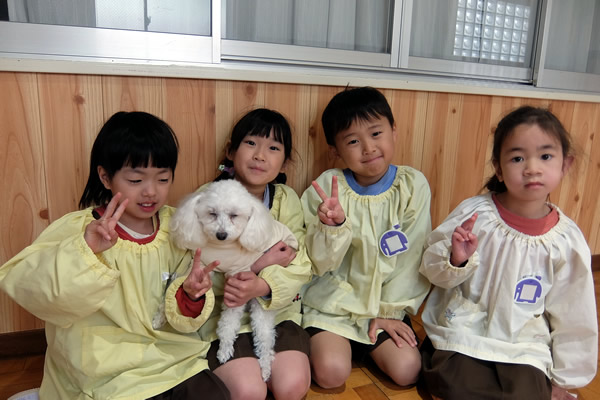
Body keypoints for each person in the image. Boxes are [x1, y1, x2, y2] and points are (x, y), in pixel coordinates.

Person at [0, 111, 229, 400]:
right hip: (102, 362)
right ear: (105, 177)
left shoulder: (180, 227)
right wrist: (85, 251)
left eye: (163, 178)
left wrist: (192, 295)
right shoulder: (79, 228)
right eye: (135, 180)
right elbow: (33, 288)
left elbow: (183, 314)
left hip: (170, 355)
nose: (151, 191)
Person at [419, 106, 598, 400]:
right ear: (499, 169)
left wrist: (564, 378)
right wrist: (455, 258)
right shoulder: (475, 214)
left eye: (545, 156)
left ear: (565, 164)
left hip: (523, 343)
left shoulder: (566, 240)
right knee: (451, 383)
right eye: (517, 158)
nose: (532, 168)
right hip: (466, 331)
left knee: (528, 392)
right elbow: (430, 268)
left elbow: (575, 312)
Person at [165, 108, 313, 400]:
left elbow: (298, 261)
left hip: (277, 312)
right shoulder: (207, 199)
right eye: (251, 143)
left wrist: (264, 285)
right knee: (248, 392)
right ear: (230, 151)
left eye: (273, 148)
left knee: (292, 386)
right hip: (220, 315)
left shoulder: (287, 200)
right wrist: (258, 265)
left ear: (284, 161)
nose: (260, 155)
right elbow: (198, 264)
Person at [300, 86, 432, 388]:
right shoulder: (326, 187)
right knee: (331, 373)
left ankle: (365, 342)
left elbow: (411, 261)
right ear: (336, 150)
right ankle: (344, 344)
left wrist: (385, 314)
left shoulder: (412, 185)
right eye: (353, 141)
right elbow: (316, 263)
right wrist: (332, 228)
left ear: (393, 131)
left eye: (376, 133)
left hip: (385, 308)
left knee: (408, 370)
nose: (368, 148)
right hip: (333, 306)